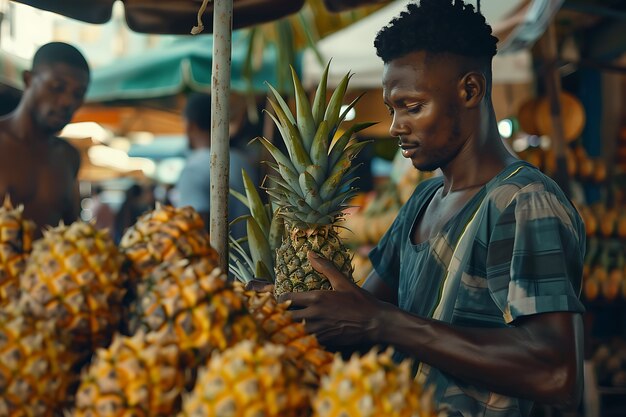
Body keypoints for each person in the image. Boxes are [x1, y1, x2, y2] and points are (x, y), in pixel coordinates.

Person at [264, 2, 586, 416]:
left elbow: (557, 374)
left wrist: (382, 322)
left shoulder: (523, 200)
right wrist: (282, 305)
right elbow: (361, 317)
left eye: (412, 106)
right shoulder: (422, 200)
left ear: (470, 90)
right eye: (392, 109)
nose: (397, 125)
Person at [0, 42, 90, 236]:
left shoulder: (68, 157)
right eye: (57, 87)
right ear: (28, 80)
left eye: (78, 94)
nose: (68, 101)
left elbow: (73, 236)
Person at [174, 93, 256, 239]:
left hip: (217, 260)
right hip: (251, 259)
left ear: (190, 126)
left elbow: (195, 228)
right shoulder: (244, 161)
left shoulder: (193, 170)